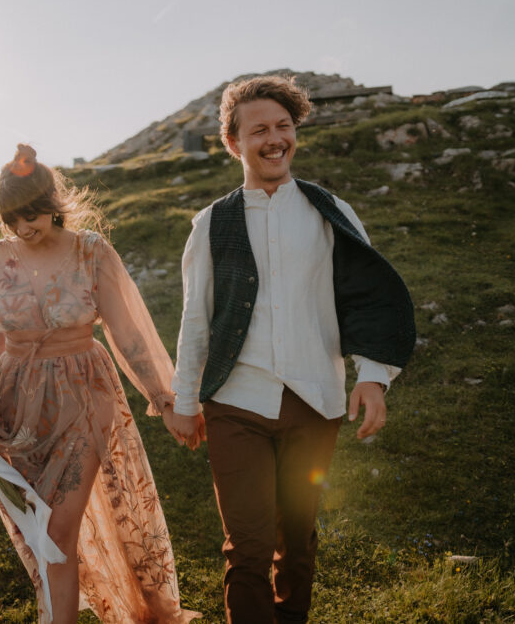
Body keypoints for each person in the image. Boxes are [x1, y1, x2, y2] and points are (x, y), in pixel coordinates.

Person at [165, 76, 416, 622]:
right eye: (260, 130)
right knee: (248, 549)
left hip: (313, 401)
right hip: (236, 403)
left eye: (284, 126)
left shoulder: (331, 212)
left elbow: (367, 299)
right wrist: (185, 402)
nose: (275, 139)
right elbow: (195, 320)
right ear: (235, 144)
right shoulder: (212, 224)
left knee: (297, 546)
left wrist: (372, 377)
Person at [0, 144, 202, 624]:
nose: (21, 227)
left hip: (83, 395)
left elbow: (129, 334)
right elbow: (0, 331)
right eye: (11, 218)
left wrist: (165, 398)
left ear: (51, 202)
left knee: (59, 528)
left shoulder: (90, 251)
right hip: (16, 405)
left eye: (29, 214)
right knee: (43, 532)